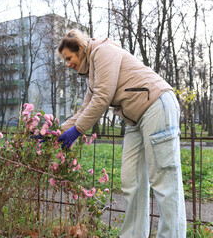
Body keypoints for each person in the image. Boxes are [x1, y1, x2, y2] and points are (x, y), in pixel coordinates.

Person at [57, 30, 186, 237]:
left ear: (80, 49)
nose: (68, 64)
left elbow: (103, 98)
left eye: (69, 58)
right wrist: (56, 132)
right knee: (131, 181)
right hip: (135, 119)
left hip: (156, 106)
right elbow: (85, 108)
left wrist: (78, 131)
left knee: (164, 179)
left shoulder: (102, 52)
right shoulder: (93, 73)